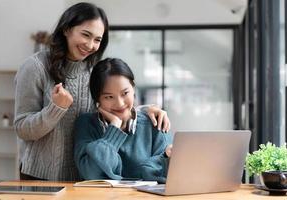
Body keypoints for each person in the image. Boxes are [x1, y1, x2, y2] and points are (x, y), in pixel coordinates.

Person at [14, 2, 170, 181]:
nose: (90, 45)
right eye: (85, 35)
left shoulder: (95, 71)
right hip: (40, 175)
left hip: (85, 175)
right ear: (66, 29)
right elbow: (22, 128)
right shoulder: (34, 68)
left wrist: (144, 110)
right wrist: (55, 109)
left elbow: (108, 105)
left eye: (97, 39)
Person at [74, 58, 173, 183]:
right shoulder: (87, 123)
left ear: (133, 89)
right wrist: (113, 131)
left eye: (125, 93)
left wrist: (164, 159)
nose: (119, 103)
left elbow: (163, 175)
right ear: (97, 99)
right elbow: (90, 173)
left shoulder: (155, 122)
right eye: (109, 97)